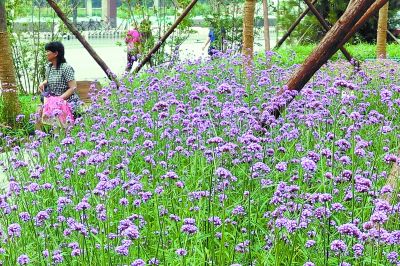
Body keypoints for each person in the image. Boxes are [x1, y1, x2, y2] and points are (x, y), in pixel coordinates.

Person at [37, 41, 80, 128]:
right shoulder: (49, 67)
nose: (46, 54)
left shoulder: (65, 68)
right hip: (53, 99)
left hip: (68, 100)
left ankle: (64, 133)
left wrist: (59, 100)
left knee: (48, 110)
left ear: (56, 53)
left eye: (47, 51)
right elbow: (49, 79)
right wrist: (43, 83)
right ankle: (41, 135)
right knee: (39, 110)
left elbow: (73, 87)